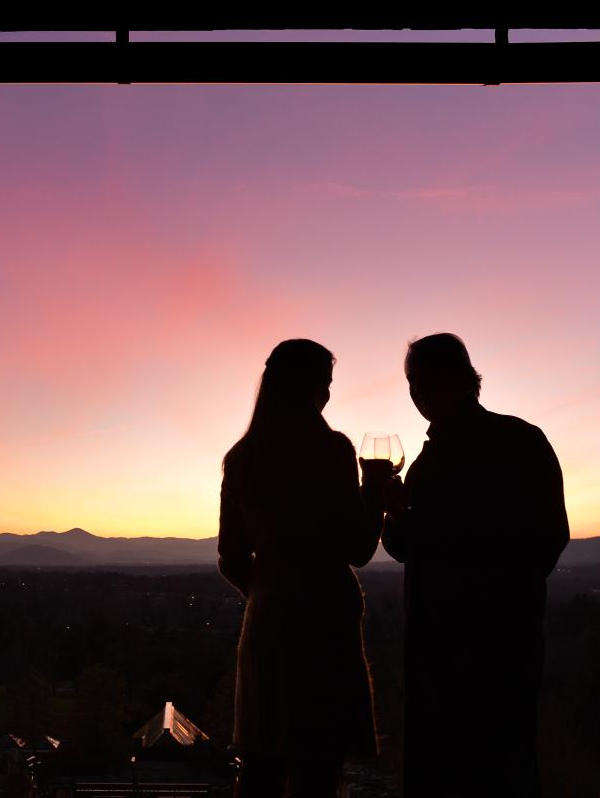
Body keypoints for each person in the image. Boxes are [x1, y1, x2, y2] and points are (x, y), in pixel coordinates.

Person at [382, 333, 569, 797]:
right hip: (511, 642)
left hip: (444, 649)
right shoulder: (524, 440)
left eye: (421, 380)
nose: (415, 392)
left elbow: (408, 544)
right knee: (507, 764)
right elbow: (550, 537)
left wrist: (394, 515)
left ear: (458, 380)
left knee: (444, 768)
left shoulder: (434, 460)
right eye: (411, 382)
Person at [218, 338, 387, 797]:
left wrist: (266, 591)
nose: (328, 395)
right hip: (325, 622)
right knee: (316, 771)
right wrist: (374, 496)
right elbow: (357, 548)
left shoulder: (240, 459)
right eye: (325, 385)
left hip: (266, 625)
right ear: (308, 387)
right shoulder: (330, 450)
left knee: (260, 768)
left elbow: (230, 557)